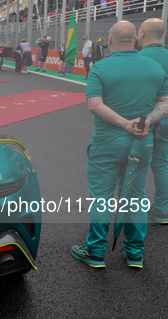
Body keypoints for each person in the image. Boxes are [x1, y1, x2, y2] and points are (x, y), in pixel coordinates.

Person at [71, 20, 168, 269]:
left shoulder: (100, 68)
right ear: (135, 39)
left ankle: (95, 252)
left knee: (102, 197)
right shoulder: (155, 68)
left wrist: (125, 124)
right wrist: (144, 121)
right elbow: (165, 104)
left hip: (107, 143)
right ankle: (135, 254)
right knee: (135, 196)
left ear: (110, 41)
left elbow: (94, 105)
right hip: (143, 142)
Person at [137, 18, 168, 224]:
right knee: (162, 164)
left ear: (143, 32)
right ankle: (162, 209)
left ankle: (130, 211)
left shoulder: (137, 58)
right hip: (165, 119)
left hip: (145, 121)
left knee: (135, 166)